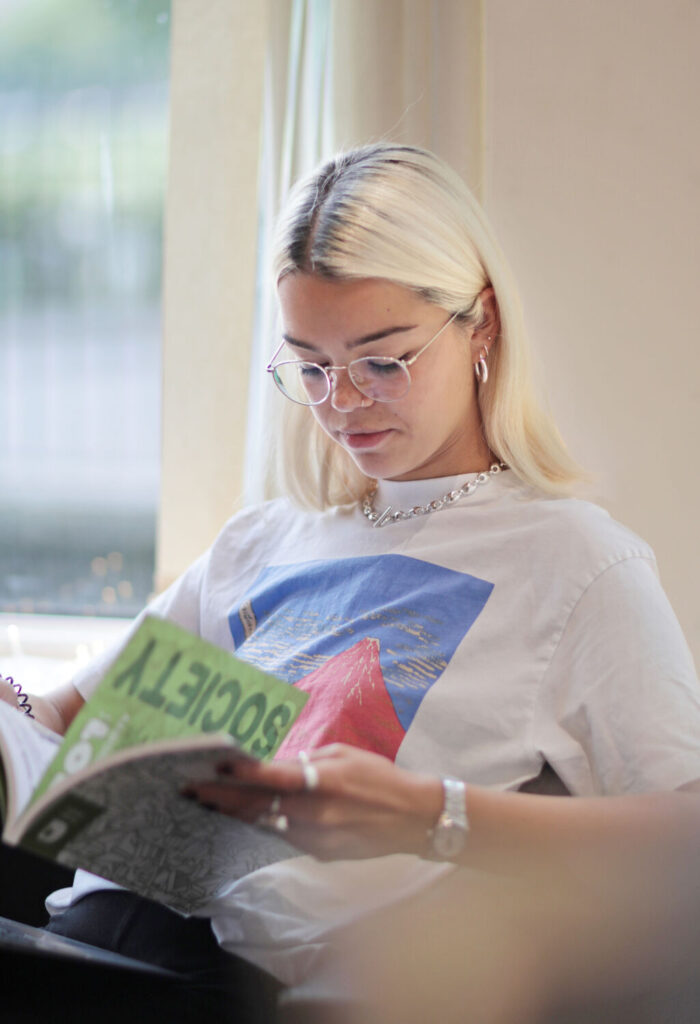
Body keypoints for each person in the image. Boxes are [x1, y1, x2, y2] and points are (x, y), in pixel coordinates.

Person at [2, 143, 699, 1022]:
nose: (343, 402)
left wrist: (429, 815)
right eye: (312, 365)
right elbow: (66, 719)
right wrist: (12, 709)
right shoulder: (263, 538)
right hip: (93, 931)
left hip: (271, 985)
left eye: (383, 360)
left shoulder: (572, 561)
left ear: (479, 323)